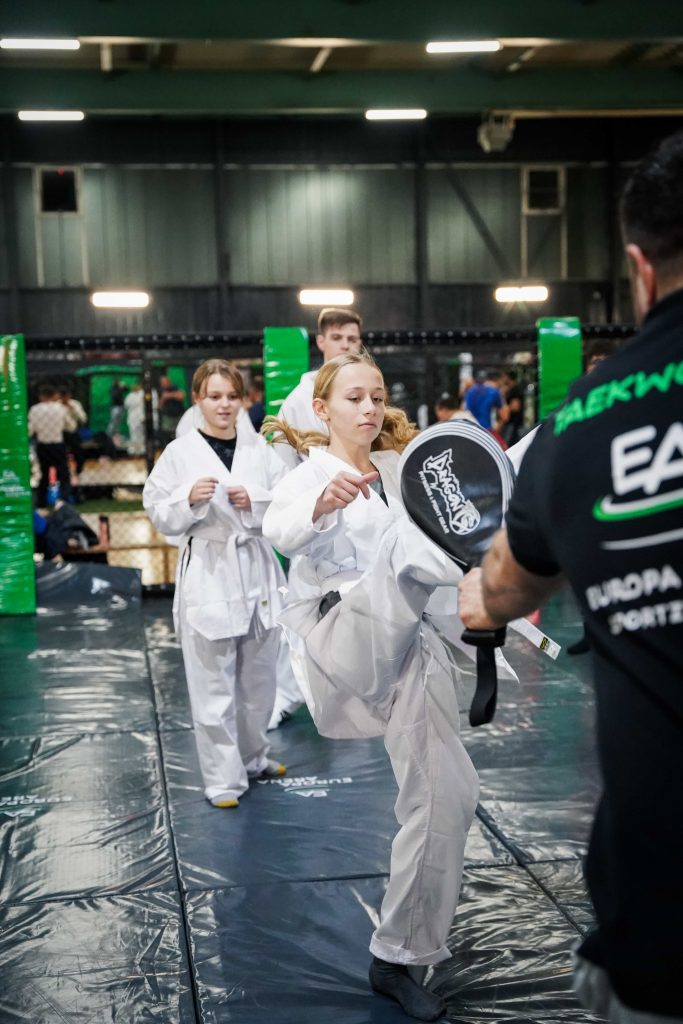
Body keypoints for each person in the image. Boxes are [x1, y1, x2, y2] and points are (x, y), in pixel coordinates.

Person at [457, 130, 683, 1024]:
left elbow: (506, 587)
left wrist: (483, 591)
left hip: (662, 928)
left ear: (637, 266)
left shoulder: (583, 423)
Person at [262, 353, 480, 1021]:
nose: (368, 408)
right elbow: (278, 530)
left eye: (376, 396)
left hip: (410, 643)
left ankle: (400, 953)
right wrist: (320, 512)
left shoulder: (398, 469)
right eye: (352, 397)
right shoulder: (309, 477)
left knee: (449, 796)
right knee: (405, 553)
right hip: (341, 636)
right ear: (322, 410)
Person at [143, 359, 288, 808]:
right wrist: (187, 500)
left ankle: (253, 757)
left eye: (231, 396)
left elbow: (286, 505)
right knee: (213, 685)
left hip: (257, 568)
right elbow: (156, 509)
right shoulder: (180, 453)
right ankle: (223, 779)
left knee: (260, 680)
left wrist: (256, 501)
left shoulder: (260, 450)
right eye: (213, 396)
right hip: (209, 569)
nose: (223, 405)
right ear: (197, 400)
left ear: (242, 400)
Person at [275, 307, 363, 467]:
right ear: (321, 342)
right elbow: (282, 463)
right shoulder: (298, 401)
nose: (345, 345)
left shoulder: (371, 397)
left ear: (359, 344)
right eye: (336, 337)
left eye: (352, 339)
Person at [28, 384, 71, 507]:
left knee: (44, 475)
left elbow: (30, 430)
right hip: (57, 443)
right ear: (53, 395)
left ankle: (41, 502)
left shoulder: (35, 409)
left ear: (41, 396)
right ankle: (64, 501)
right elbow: (71, 426)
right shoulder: (60, 408)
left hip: (43, 445)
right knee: (63, 474)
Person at [58, 384, 88, 475]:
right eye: (62, 396)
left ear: (69, 396)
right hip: (59, 432)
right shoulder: (56, 405)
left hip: (72, 431)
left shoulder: (75, 404)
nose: (65, 399)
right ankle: (63, 472)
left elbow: (83, 419)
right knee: (60, 454)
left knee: (78, 452)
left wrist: (73, 410)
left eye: (66, 396)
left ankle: (79, 471)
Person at [498, 369, 525, 447]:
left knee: (509, 445)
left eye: (504, 377)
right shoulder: (510, 390)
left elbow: (516, 407)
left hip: (513, 423)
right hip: (511, 423)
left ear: (508, 378)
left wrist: (505, 409)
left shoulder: (515, 390)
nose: (502, 379)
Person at [158, 374, 186, 442]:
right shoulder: (160, 390)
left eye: (166, 382)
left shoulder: (174, 387)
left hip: (178, 415)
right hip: (167, 416)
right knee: (167, 435)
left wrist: (169, 395)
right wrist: (163, 398)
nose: (165, 383)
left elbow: (181, 396)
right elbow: (159, 406)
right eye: (163, 382)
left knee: (180, 433)